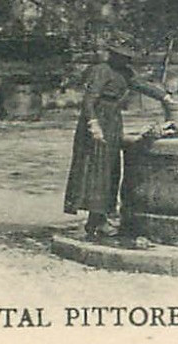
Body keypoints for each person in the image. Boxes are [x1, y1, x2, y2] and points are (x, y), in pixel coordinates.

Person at [63, 34, 172, 239]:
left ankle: (96, 221)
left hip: (113, 119)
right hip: (98, 119)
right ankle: (98, 221)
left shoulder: (124, 72)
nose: (126, 60)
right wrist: (93, 125)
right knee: (98, 170)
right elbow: (89, 101)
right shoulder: (101, 71)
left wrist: (164, 97)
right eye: (122, 56)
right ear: (113, 54)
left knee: (111, 168)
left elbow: (141, 85)